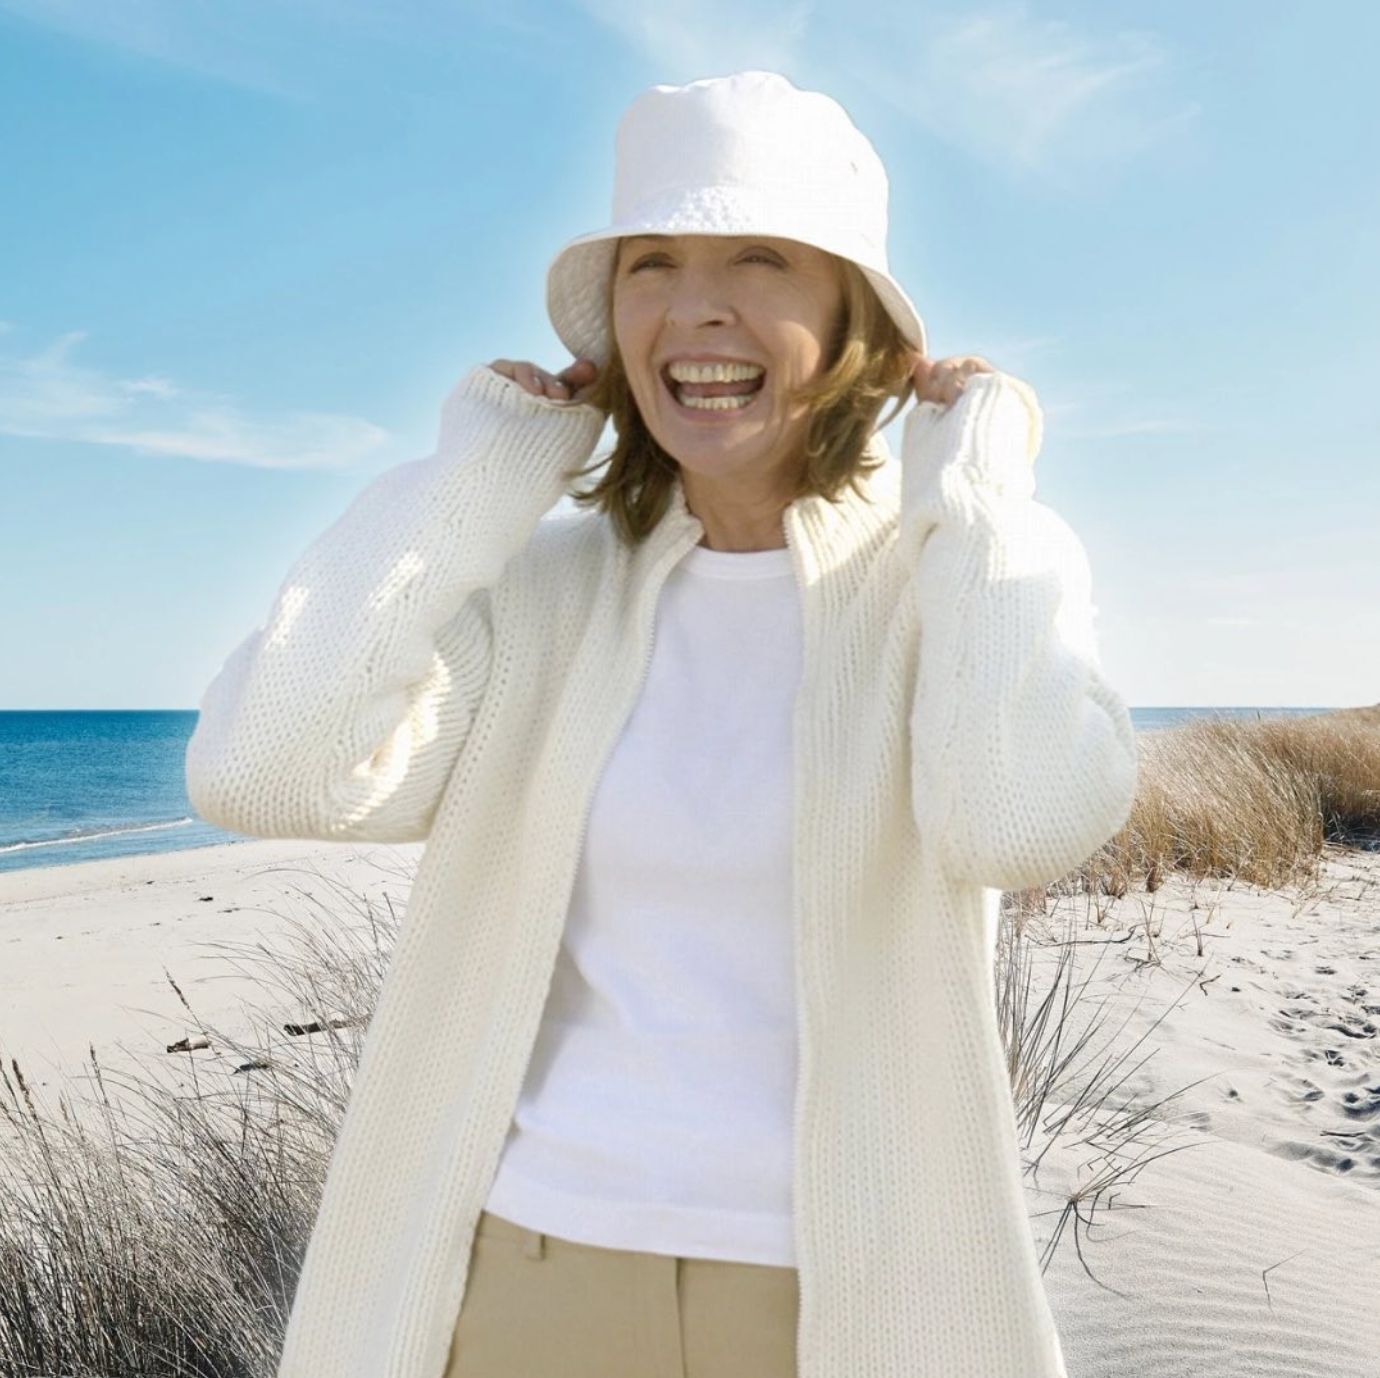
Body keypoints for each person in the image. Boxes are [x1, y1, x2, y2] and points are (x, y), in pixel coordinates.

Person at [185, 70, 1139, 1378]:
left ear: (856, 322)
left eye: (760, 257)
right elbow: (265, 769)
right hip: (522, 1279)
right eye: (653, 264)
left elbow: (1012, 821)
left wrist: (973, 490)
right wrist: (481, 474)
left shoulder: (958, 584)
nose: (697, 307)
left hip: (846, 1303)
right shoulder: (541, 595)